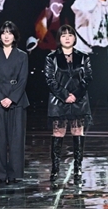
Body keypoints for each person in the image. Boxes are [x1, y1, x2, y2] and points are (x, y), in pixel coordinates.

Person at [45, 25, 93, 184]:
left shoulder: (83, 57)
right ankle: (55, 169)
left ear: (74, 37)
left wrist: (75, 95)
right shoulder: (51, 57)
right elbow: (50, 80)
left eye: (70, 35)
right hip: (59, 101)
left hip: (79, 101)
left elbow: (88, 77)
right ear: (59, 38)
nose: (67, 38)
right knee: (58, 133)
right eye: (63, 35)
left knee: (77, 132)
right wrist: (65, 95)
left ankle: (78, 167)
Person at [0, 21, 30, 184]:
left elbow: (23, 79)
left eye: (9, 33)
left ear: (14, 36)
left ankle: (15, 173)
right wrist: (0, 98)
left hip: (17, 101)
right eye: (4, 32)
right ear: (0, 36)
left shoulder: (22, 56)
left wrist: (11, 98)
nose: (6, 36)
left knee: (16, 138)